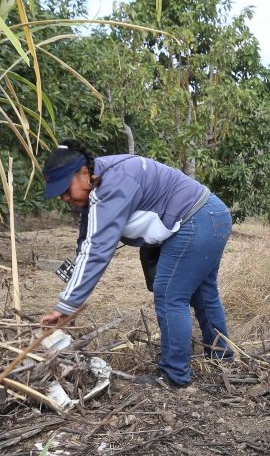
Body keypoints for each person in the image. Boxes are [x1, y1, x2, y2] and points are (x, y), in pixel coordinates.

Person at [38, 139, 234, 388]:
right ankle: (222, 359)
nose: (64, 197)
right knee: (203, 294)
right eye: (59, 194)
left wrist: (66, 306)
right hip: (212, 214)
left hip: (196, 219)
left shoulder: (111, 186)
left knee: (170, 294)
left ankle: (174, 375)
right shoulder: (102, 182)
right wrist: (70, 298)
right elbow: (87, 242)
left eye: (66, 189)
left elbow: (97, 250)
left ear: (84, 173)